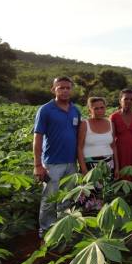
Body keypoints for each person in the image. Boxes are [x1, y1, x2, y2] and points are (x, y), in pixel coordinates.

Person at [33, 76, 81, 238]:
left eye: (68, 88)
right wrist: (38, 165)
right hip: (51, 163)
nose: (65, 90)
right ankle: (46, 231)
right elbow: (38, 137)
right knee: (49, 200)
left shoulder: (75, 110)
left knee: (67, 199)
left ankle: (63, 230)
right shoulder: (46, 110)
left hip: (71, 163)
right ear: (53, 90)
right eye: (61, 88)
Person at [77, 97, 118, 210]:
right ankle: (91, 221)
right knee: (90, 196)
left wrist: (117, 167)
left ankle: (105, 220)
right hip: (90, 166)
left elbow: (113, 146)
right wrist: (84, 169)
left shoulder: (110, 124)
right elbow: (79, 148)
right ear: (89, 110)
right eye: (96, 108)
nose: (100, 111)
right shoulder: (85, 124)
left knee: (106, 194)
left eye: (102, 108)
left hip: (108, 164)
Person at [110, 89, 132, 180]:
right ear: (120, 100)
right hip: (120, 153)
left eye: (131, 99)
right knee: (121, 178)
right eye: (126, 99)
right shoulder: (114, 117)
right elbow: (112, 141)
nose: (129, 101)